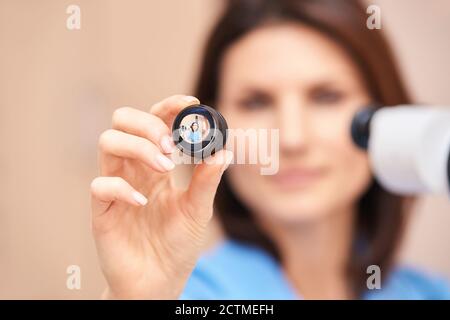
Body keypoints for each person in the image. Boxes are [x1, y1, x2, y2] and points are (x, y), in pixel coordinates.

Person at [90, 0, 450, 299]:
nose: (292, 139)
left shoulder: (431, 293)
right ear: (214, 127)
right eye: (256, 102)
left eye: (326, 97)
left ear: (383, 116)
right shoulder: (178, 294)